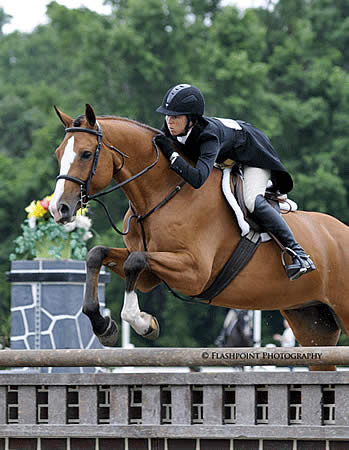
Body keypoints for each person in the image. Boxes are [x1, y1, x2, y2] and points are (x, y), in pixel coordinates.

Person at [154, 83, 315, 280]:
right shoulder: (173, 127)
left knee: (251, 201)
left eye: (175, 116)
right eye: (167, 115)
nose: (169, 121)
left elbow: (197, 179)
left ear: (191, 119)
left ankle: (299, 254)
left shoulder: (208, 137)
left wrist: (170, 154)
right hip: (227, 154)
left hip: (252, 156)